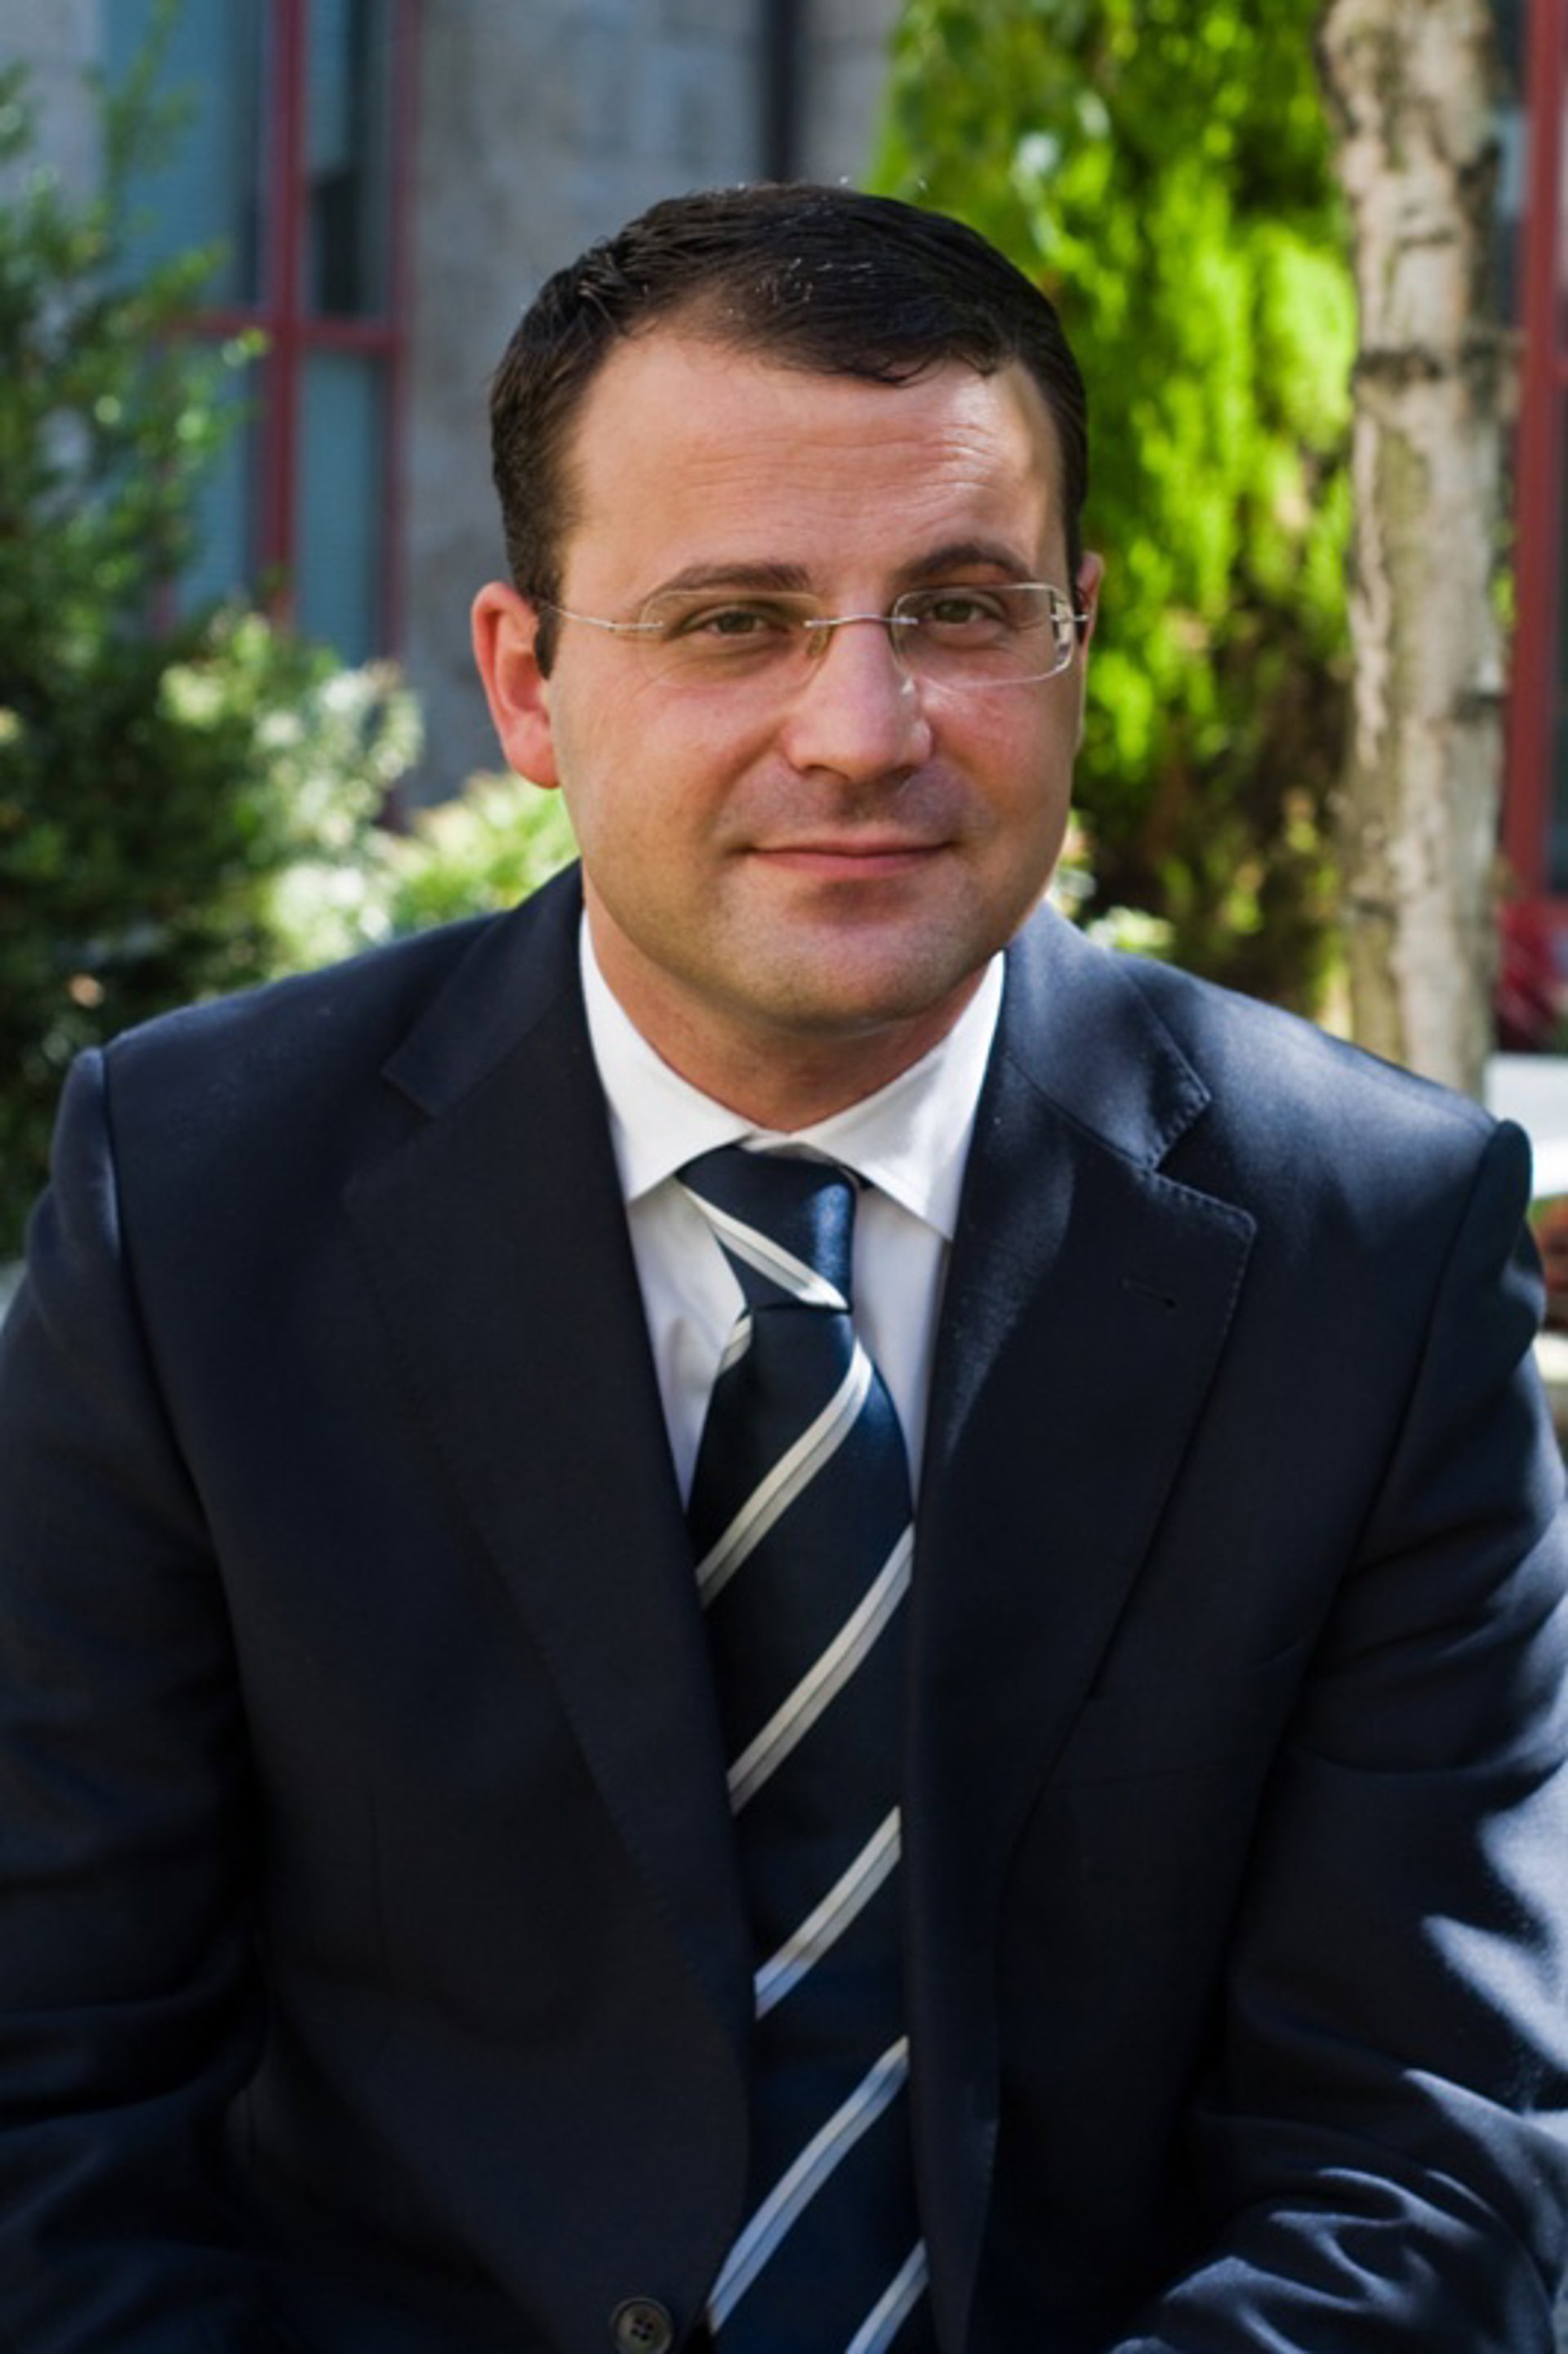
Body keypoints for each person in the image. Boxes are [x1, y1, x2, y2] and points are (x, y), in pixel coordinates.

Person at [1, 182, 1566, 2354]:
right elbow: (52, 2093)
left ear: (1080, 639)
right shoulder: (194, 1204)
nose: (861, 726)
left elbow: (1430, 2146)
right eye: (735, 619)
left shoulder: (1369, 1248)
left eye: (961, 607)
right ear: (527, 680)